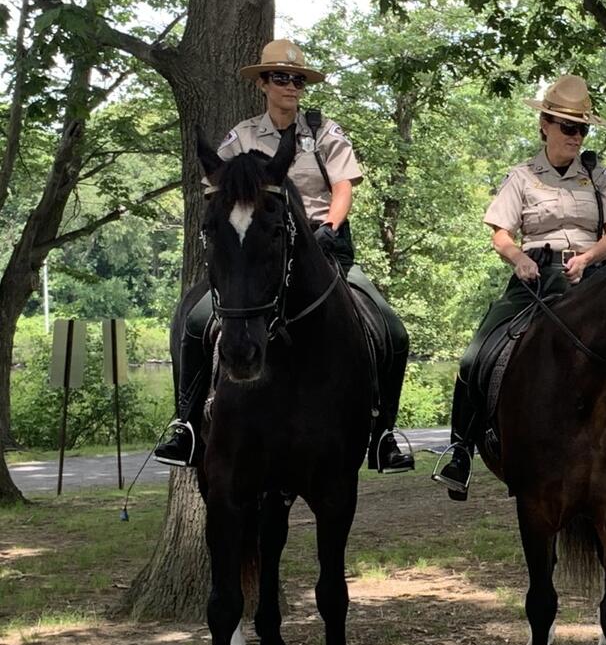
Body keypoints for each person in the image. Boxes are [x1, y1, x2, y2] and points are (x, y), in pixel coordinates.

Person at [154, 39, 414, 473]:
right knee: (195, 321)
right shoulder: (241, 138)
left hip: (322, 245)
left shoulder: (324, 131)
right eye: (280, 78)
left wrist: (330, 226)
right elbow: (220, 192)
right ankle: (186, 425)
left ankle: (383, 430)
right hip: (258, 251)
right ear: (262, 83)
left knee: (392, 329)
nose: (290, 86)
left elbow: (345, 185)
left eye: (297, 79)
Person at [432, 74, 606, 498]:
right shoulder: (522, 176)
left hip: (591, 277)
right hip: (535, 277)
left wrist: (589, 258)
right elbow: (500, 233)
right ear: (545, 124)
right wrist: (519, 258)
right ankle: (461, 450)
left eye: (583, 128)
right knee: (474, 356)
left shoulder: (597, 175)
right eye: (568, 127)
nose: (577, 136)